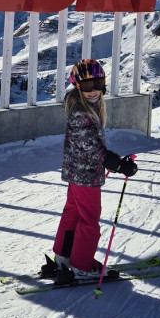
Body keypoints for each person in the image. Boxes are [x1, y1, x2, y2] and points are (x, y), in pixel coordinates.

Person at [40, 59, 137, 280]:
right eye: (86, 86)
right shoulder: (80, 112)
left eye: (97, 84)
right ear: (77, 86)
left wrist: (115, 160)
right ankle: (81, 265)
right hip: (85, 175)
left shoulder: (86, 107)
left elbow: (91, 144)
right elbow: (91, 145)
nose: (93, 91)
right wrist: (117, 163)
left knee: (73, 214)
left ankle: (64, 257)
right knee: (89, 221)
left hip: (78, 173)